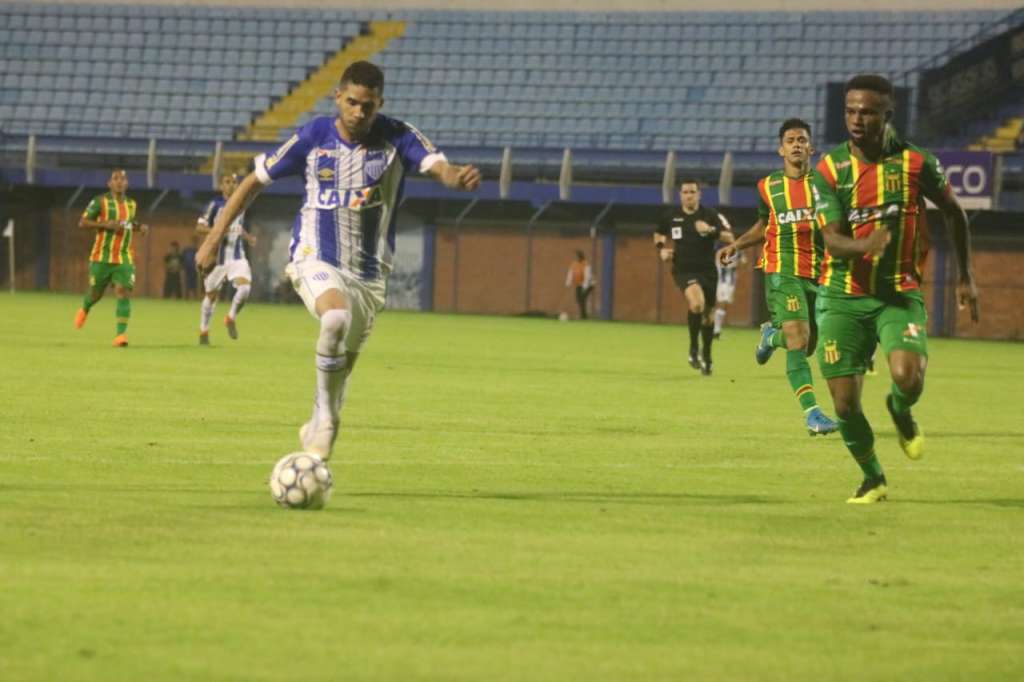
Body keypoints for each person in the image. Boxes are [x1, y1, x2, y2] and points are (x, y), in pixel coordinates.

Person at [196, 61, 480, 459]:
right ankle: (328, 421)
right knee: (334, 319)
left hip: (369, 273)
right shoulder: (313, 136)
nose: (359, 112)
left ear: (380, 103)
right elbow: (252, 182)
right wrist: (213, 239)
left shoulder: (397, 136)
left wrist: (454, 176)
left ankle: (320, 416)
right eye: (352, 102)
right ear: (338, 97)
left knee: (341, 368)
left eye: (368, 105)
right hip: (315, 255)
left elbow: (438, 167)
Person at [810, 74, 978, 504]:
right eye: (850, 110)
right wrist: (865, 245)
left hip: (897, 294)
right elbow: (832, 240)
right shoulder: (830, 169)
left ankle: (901, 410)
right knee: (844, 405)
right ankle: (873, 478)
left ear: (887, 113)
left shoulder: (916, 163)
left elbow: (954, 212)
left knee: (909, 378)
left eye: (867, 112)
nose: (856, 119)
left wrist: (965, 276)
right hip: (842, 296)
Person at [717, 118, 838, 436]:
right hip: (781, 269)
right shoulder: (768, 186)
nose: (797, 144)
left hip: (817, 273)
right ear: (781, 149)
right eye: (790, 140)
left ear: (811, 148)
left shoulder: (827, 185)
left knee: (807, 345)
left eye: (802, 140)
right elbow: (764, 225)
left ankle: (771, 337)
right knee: (798, 338)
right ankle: (812, 414)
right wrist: (737, 244)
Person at [655, 179, 734, 375]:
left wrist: (709, 230)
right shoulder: (671, 216)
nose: (689, 195)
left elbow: (730, 237)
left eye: (692, 192)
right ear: (680, 195)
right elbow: (659, 233)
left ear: (699, 194)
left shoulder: (711, 215)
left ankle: (706, 356)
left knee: (708, 316)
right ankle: (693, 349)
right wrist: (661, 249)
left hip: (707, 270)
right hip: (684, 269)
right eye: (685, 192)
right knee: (697, 304)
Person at [73, 168, 149, 347]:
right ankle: (85, 308)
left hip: (123, 257)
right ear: (109, 183)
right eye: (116, 179)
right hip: (101, 257)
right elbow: (82, 222)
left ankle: (120, 335)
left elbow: (127, 224)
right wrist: (105, 225)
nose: (119, 181)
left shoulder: (132, 204)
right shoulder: (100, 201)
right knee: (95, 294)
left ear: (127, 183)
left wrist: (140, 227)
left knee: (122, 291)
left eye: (123, 179)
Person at [195, 173, 256, 345]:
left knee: (245, 288)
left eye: (234, 182)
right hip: (217, 259)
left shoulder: (242, 204)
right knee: (211, 296)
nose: (231, 185)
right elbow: (199, 227)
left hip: (237, 257)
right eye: (227, 182)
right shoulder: (215, 205)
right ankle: (204, 330)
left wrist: (248, 237)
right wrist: (218, 231)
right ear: (221, 186)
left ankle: (231, 317)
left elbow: (237, 227)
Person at [565, 250, 593, 319]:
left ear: (581, 257)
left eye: (578, 256)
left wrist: (585, 287)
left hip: (589, 285)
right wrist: (568, 282)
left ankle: (584, 316)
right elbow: (570, 273)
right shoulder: (574, 264)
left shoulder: (586, 264)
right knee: (578, 299)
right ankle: (583, 315)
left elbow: (587, 276)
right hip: (579, 284)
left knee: (582, 298)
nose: (577, 258)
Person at [181, 235, 198, 300]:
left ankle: (194, 297)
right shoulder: (186, 250)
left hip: (194, 270)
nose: (193, 243)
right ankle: (186, 297)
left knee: (194, 284)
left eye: (195, 242)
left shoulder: (197, 250)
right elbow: (182, 259)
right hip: (187, 269)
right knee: (186, 283)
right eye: (193, 241)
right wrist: (183, 267)